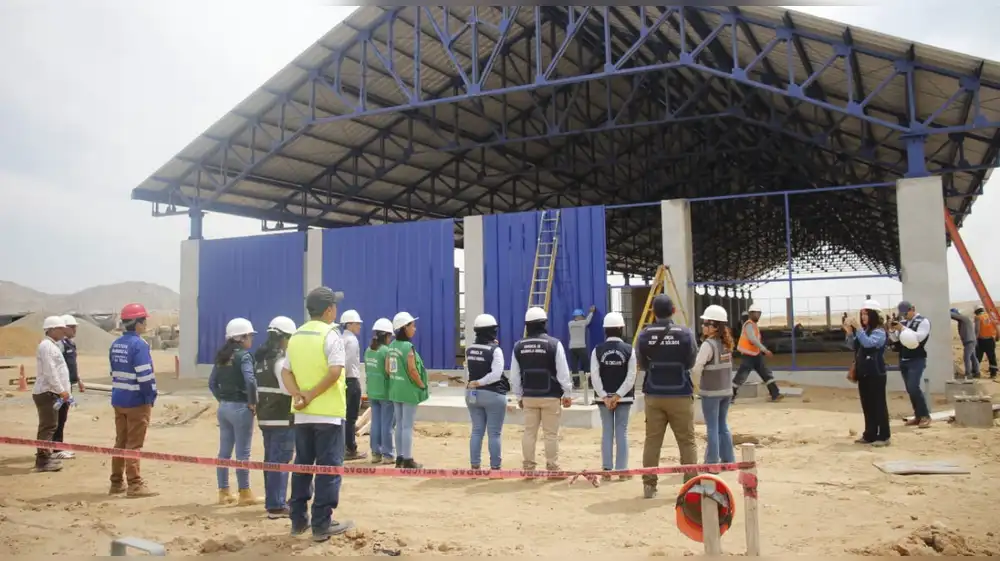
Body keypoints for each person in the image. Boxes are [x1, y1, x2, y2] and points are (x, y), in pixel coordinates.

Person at [280, 287, 354, 541]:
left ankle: (298, 520)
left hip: (303, 416)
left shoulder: (297, 335)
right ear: (329, 310)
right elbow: (335, 372)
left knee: (302, 467)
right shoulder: (331, 335)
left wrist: (298, 395)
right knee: (329, 470)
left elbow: (285, 372)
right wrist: (310, 395)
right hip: (329, 416)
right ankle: (322, 523)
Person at [636, 295, 698, 499]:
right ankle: (690, 485)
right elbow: (691, 361)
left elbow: (642, 364)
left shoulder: (644, 335)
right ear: (673, 311)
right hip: (680, 393)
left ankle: (649, 486)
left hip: (654, 393)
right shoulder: (685, 333)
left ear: (653, 312)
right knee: (687, 441)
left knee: (652, 441)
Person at [509, 307, 573, 473]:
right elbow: (563, 372)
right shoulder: (554, 344)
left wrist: (519, 396)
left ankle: (528, 467)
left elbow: (515, 376)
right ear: (544, 323)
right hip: (551, 396)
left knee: (529, 433)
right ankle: (552, 467)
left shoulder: (518, 346)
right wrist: (567, 393)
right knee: (551, 434)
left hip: (529, 396)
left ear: (527, 325)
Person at [209, 318, 260, 507]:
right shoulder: (244, 356)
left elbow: (212, 383)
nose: (251, 340)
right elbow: (251, 381)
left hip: (224, 407)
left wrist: (222, 399)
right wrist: (253, 402)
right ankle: (244, 492)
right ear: (242, 337)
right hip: (241, 407)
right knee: (242, 453)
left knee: (224, 451)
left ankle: (223, 491)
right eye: (250, 336)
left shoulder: (221, 357)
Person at [108, 303, 158, 497]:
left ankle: (116, 483)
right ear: (137, 323)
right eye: (143, 321)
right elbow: (145, 376)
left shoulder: (116, 344)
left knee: (120, 441)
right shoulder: (139, 345)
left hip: (119, 398)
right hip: (136, 400)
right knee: (134, 444)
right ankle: (135, 485)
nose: (145, 324)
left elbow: (113, 371)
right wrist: (150, 397)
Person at [254, 316, 297, 518]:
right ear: (284, 338)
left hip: (266, 417)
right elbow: (287, 389)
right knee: (281, 462)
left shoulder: (261, 360)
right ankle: (277, 505)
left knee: (270, 461)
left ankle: (272, 501)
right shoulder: (280, 361)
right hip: (281, 417)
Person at [589, 311, 636, 480]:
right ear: (621, 329)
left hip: (603, 399)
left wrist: (604, 396)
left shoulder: (597, 350)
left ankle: (607, 470)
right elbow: (631, 376)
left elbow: (594, 375)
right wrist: (618, 395)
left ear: (605, 330)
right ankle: (622, 471)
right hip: (624, 398)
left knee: (607, 431)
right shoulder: (629, 350)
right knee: (621, 432)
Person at [692, 305, 735, 465]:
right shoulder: (726, 344)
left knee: (712, 427)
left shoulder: (707, 345)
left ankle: (711, 462)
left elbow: (697, 368)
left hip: (711, 392)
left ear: (714, 326)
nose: (702, 326)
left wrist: (694, 384)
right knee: (723, 425)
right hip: (726, 391)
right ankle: (729, 460)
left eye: (705, 324)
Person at [464, 313, 509, 470]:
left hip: (472, 394)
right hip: (492, 394)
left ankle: (475, 465)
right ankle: (495, 466)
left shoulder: (469, 349)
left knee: (477, 431)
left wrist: (474, 383)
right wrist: (481, 382)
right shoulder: (495, 350)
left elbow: (468, 372)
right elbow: (496, 374)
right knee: (494, 433)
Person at [386, 311, 428, 469]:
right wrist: (421, 384)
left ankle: (400, 458)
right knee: (407, 426)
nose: (414, 329)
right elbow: (412, 370)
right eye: (412, 326)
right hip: (409, 390)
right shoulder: (408, 347)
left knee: (399, 424)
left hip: (395, 389)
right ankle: (409, 459)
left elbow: (388, 369)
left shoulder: (392, 346)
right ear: (404, 328)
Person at [845, 300, 890, 446]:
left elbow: (868, 343)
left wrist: (858, 329)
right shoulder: (865, 331)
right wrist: (850, 333)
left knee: (878, 404)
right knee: (867, 405)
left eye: (866, 314)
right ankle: (869, 433)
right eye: (862, 314)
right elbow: (853, 346)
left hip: (876, 373)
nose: (863, 317)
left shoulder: (879, 332)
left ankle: (883, 436)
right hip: (864, 372)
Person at [33, 316, 70, 473]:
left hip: (52, 392)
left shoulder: (52, 345)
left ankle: (47, 457)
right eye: (61, 329)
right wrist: (60, 389)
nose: (64, 332)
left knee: (51, 426)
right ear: (53, 329)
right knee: (48, 427)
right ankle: (43, 461)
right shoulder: (47, 347)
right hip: (48, 392)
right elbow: (50, 372)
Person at [888, 300, 932, 428]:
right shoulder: (903, 322)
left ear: (912, 309)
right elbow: (895, 339)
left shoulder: (923, 322)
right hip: (904, 358)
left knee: (914, 387)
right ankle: (918, 415)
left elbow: (918, 338)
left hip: (917, 359)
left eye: (906, 313)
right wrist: (892, 330)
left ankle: (925, 415)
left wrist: (903, 329)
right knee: (910, 389)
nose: (904, 316)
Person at [731, 303, 782, 403]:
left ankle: (775, 394)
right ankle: (729, 397)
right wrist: (765, 350)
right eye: (756, 313)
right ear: (750, 314)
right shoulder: (749, 324)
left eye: (759, 313)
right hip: (748, 356)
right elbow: (753, 339)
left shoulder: (753, 325)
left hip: (755, 355)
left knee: (766, 374)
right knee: (741, 377)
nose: (758, 315)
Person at [53, 314, 84, 460]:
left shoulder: (71, 344)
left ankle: (58, 446)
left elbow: (72, 365)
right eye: (72, 327)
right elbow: (57, 367)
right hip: (61, 389)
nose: (75, 330)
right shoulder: (60, 345)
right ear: (64, 328)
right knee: (57, 418)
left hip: (68, 385)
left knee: (63, 417)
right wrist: (61, 389)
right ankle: (55, 449)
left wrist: (78, 380)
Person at [364, 318, 396, 464]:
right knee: (387, 424)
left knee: (375, 423)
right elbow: (389, 371)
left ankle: (376, 453)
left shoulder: (368, 350)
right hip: (385, 392)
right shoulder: (386, 351)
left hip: (372, 392)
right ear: (387, 336)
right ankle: (388, 454)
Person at [339, 309, 367, 461]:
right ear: (349, 324)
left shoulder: (341, 338)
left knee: (343, 417)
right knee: (350, 417)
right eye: (357, 323)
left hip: (343, 381)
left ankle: (343, 446)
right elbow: (348, 362)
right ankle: (350, 448)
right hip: (350, 380)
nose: (359, 326)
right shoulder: (352, 341)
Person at [568, 306, 596, 389]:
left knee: (574, 366)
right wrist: (591, 312)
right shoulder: (583, 323)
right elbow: (588, 320)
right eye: (582, 316)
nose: (583, 317)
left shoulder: (570, 323)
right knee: (586, 365)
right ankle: (590, 384)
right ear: (580, 316)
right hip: (581, 347)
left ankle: (576, 384)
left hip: (572, 347)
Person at [951, 308, 979, 380]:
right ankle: (977, 372)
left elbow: (951, 314)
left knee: (966, 357)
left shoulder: (963, 318)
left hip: (969, 341)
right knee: (973, 357)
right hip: (970, 340)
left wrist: (943, 310)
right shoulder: (962, 320)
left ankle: (968, 374)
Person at [974, 306, 998, 380]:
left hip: (981, 341)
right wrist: (997, 336)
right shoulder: (990, 316)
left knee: (977, 357)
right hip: (991, 340)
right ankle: (993, 373)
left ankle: (976, 373)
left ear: (976, 312)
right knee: (992, 358)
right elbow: (997, 326)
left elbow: (977, 330)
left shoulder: (978, 317)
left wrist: (975, 340)